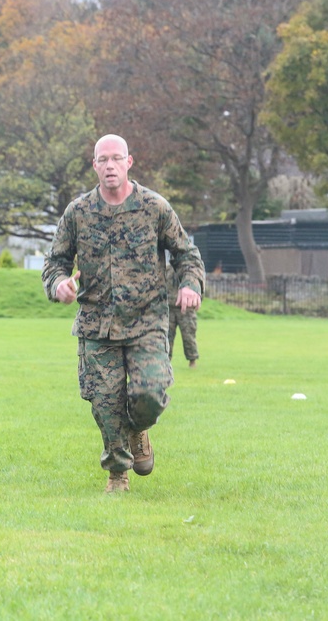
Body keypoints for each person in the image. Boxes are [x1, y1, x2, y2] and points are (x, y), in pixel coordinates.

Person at [42, 134, 204, 493]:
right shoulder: (78, 212)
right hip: (97, 325)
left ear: (129, 162)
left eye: (117, 158)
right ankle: (118, 474)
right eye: (104, 160)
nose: (110, 165)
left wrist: (190, 285)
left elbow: (186, 254)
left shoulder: (155, 207)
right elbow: (54, 263)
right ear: (95, 165)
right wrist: (58, 286)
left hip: (146, 322)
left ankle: (139, 428)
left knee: (150, 394)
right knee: (104, 403)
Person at [166, 263, 199, 368]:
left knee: (188, 335)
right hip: (169, 307)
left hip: (186, 309)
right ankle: (166, 361)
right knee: (167, 336)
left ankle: (192, 360)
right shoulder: (166, 269)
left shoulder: (188, 271)